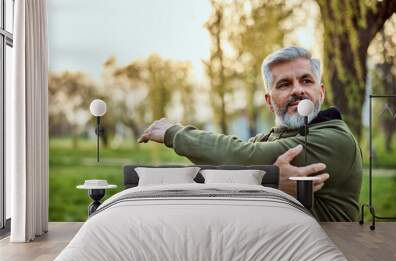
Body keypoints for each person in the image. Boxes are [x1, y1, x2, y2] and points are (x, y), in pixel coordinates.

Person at [138, 46, 363, 222]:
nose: (297, 90)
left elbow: (243, 156)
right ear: (269, 101)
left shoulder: (334, 138)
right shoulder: (271, 138)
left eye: (306, 80)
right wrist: (271, 182)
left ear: (321, 92)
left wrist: (174, 133)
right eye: (284, 84)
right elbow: (222, 168)